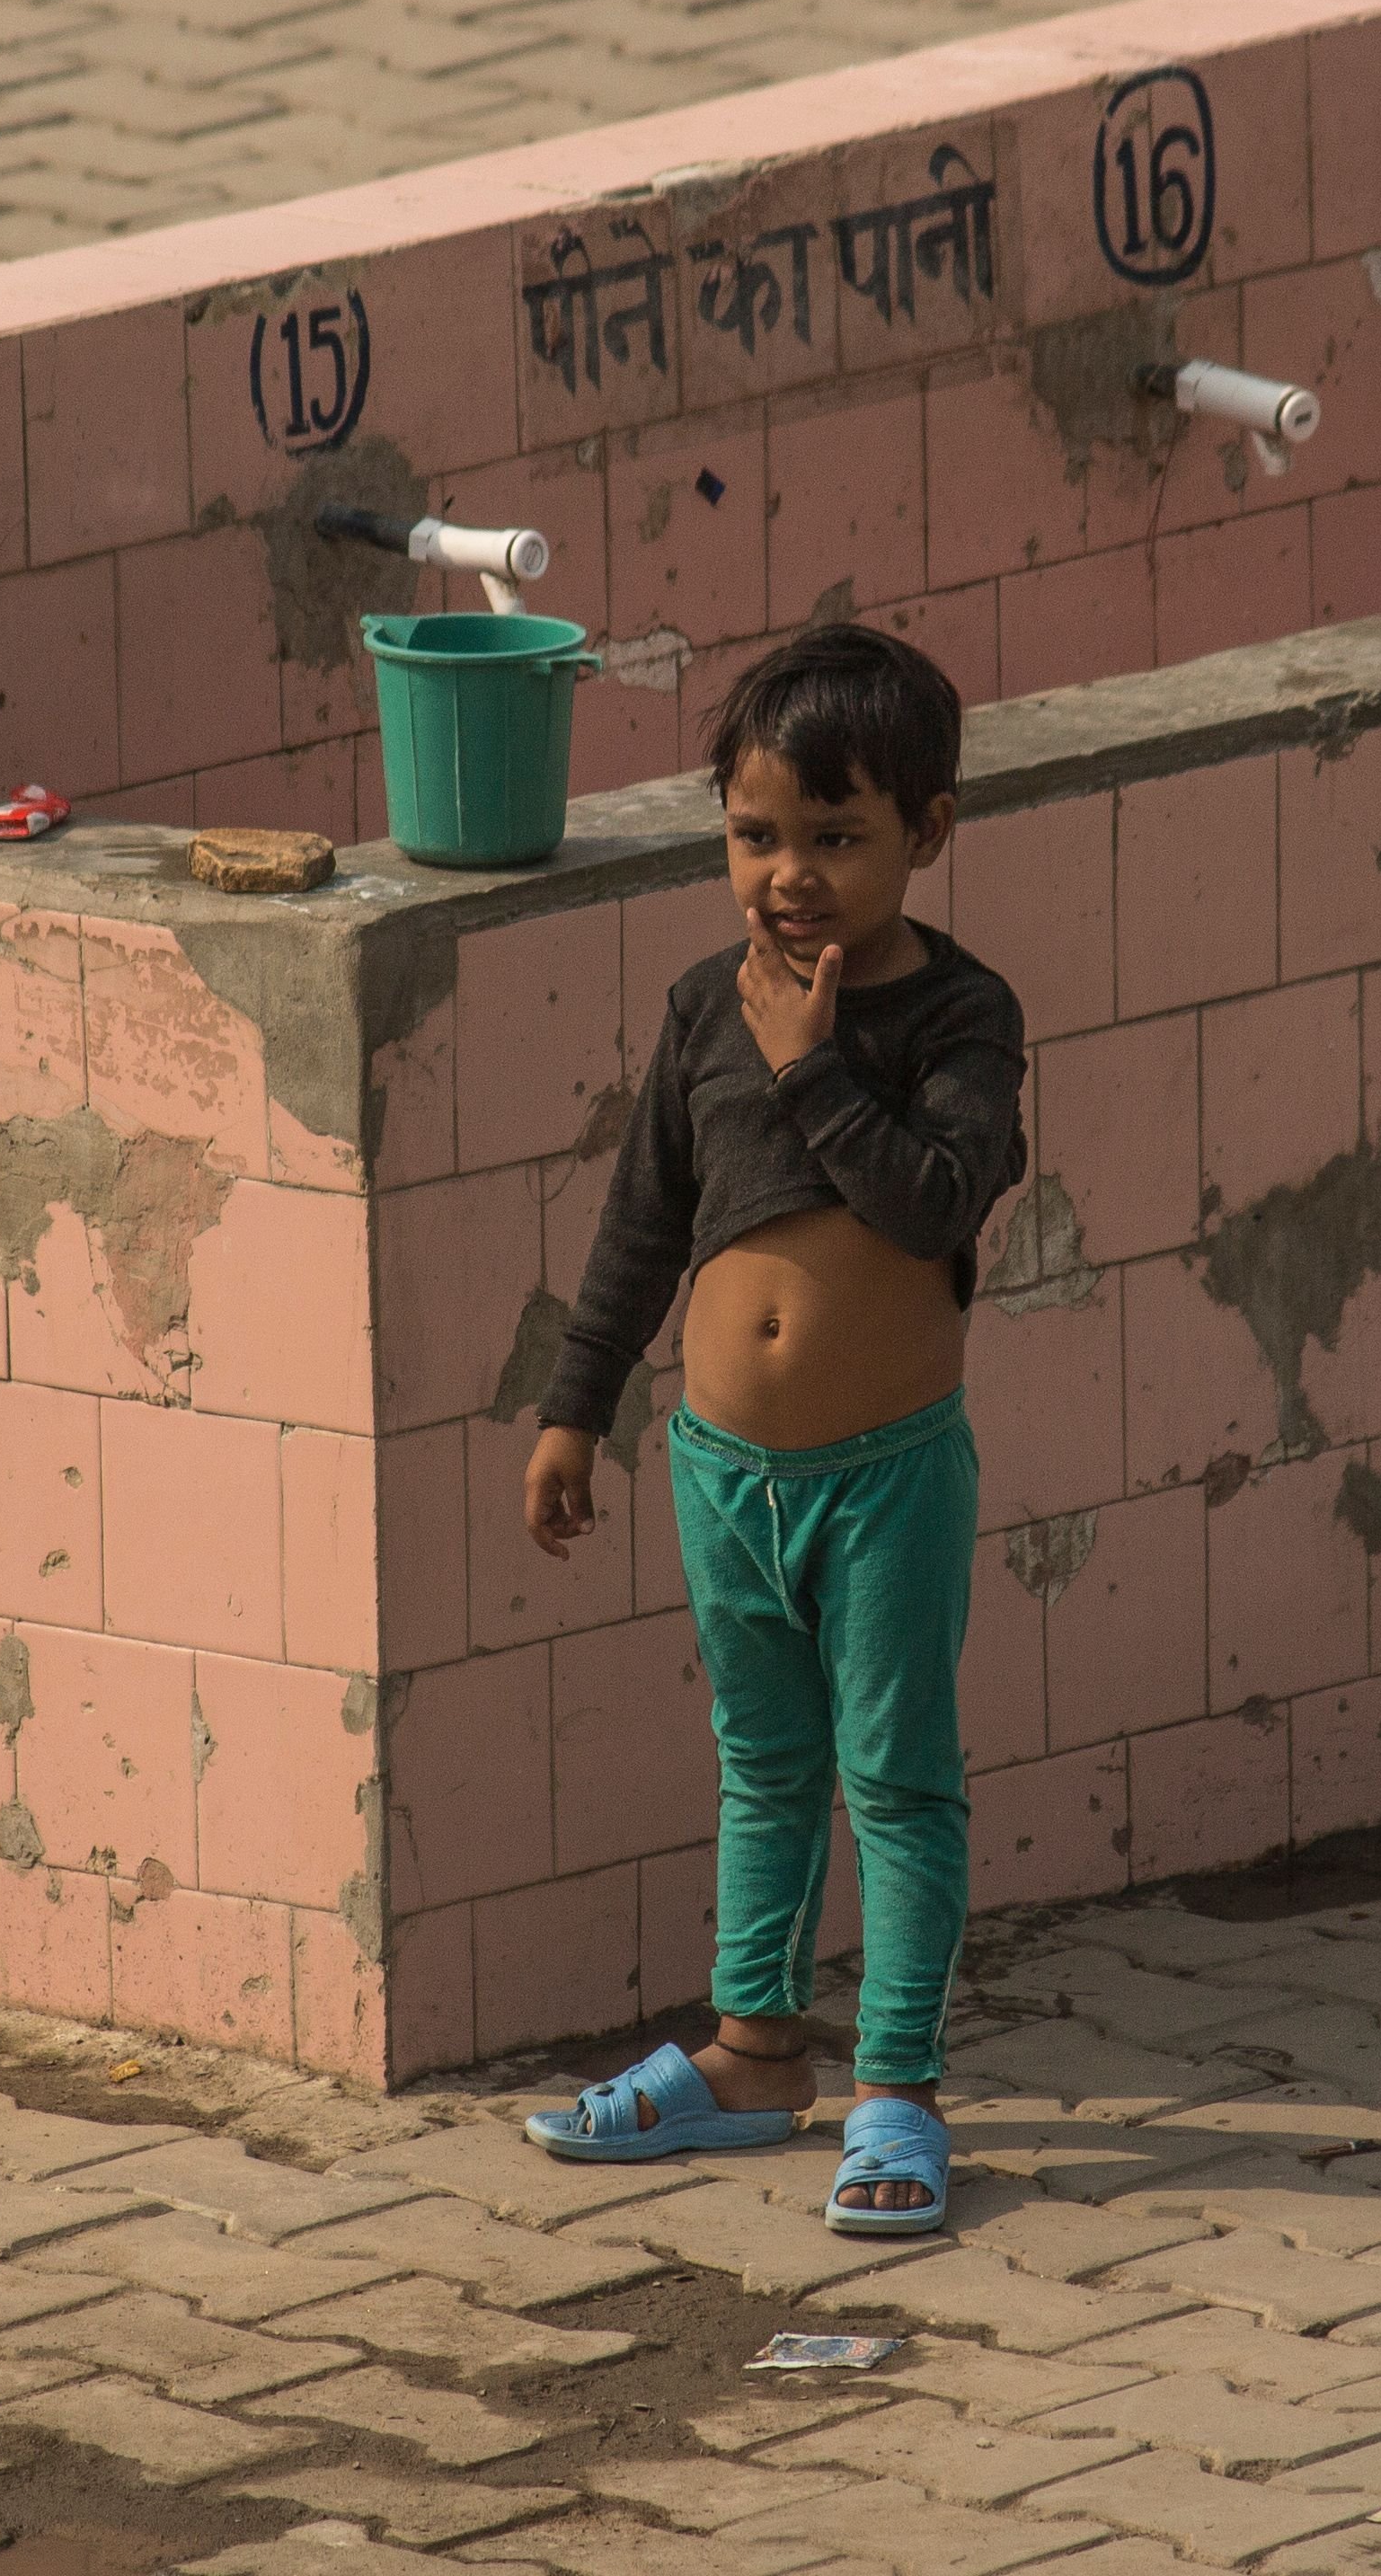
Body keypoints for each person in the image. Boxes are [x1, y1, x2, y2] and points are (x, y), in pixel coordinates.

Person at [517, 622, 1028, 2234]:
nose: (788, 877)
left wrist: (814, 1071)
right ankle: (750, 2055)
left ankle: (897, 2086)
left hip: (886, 1481)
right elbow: (640, 1228)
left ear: (925, 833)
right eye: (754, 838)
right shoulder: (699, 1010)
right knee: (764, 1763)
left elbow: (938, 1194)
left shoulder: (960, 1018)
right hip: (725, 1472)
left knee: (897, 1775)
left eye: (834, 838)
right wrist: (574, 1414)